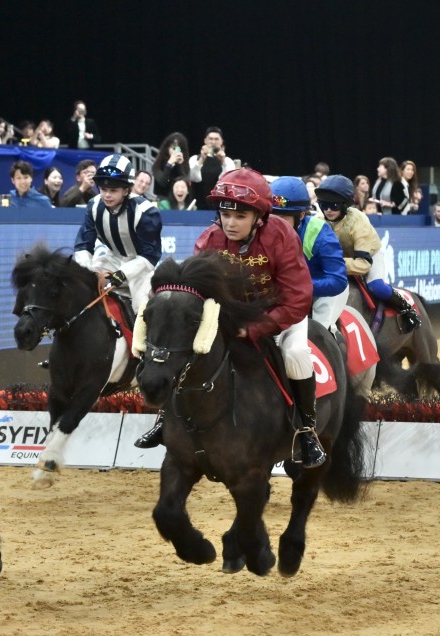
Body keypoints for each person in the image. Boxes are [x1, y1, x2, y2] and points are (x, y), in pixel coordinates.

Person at [137, 168, 325, 468]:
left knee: (296, 353)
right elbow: (193, 289)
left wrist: (257, 327)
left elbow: (298, 298)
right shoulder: (209, 239)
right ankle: (166, 419)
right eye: (226, 214)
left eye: (240, 217)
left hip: (278, 316)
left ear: (259, 217)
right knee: (189, 352)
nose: (230, 223)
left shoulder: (282, 236)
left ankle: (306, 431)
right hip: (228, 320)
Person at [315, 175, 421, 333]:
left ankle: (407, 309)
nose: (328, 210)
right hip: (340, 257)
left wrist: (335, 264)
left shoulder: (359, 221)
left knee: (376, 286)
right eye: (323, 205)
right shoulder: (318, 219)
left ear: (345, 205)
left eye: (334, 205)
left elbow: (363, 265)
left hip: (368, 255)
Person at [73, 153, 162, 314]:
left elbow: (150, 256)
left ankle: (144, 339)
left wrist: (122, 274)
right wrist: (86, 273)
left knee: (141, 307)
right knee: (81, 288)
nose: (107, 195)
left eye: (113, 190)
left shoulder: (146, 211)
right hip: (111, 260)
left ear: (127, 190)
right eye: (103, 189)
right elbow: (83, 246)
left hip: (140, 267)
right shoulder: (93, 206)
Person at [270, 176, 348, 331]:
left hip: (322, 293)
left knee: (318, 331)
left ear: (300, 216)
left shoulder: (321, 234)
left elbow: (338, 281)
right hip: (283, 293)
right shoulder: (261, 229)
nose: (275, 224)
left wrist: (295, 286)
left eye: (283, 218)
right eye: (272, 216)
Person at [188, 126, 235, 203]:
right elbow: (193, 177)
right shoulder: (194, 159)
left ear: (221, 141)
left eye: (216, 139)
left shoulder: (228, 161)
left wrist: (223, 162)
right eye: (210, 139)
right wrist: (201, 160)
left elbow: (229, 182)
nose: (213, 142)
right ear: (205, 141)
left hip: (219, 204)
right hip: (198, 204)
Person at [152, 132, 190, 204]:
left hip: (178, 202)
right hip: (162, 200)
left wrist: (180, 165)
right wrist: (169, 164)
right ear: (167, 148)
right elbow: (162, 182)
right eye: (174, 148)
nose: (176, 151)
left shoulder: (184, 164)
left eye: (179, 148)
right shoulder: (158, 164)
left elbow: (186, 183)